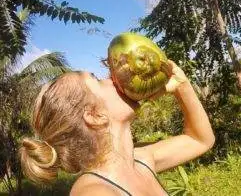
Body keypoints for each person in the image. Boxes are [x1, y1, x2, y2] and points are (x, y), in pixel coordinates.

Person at [20, 60, 215, 196]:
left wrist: (182, 86)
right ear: (95, 116)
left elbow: (199, 140)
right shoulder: (93, 192)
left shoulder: (141, 161)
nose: (111, 78)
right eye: (97, 80)